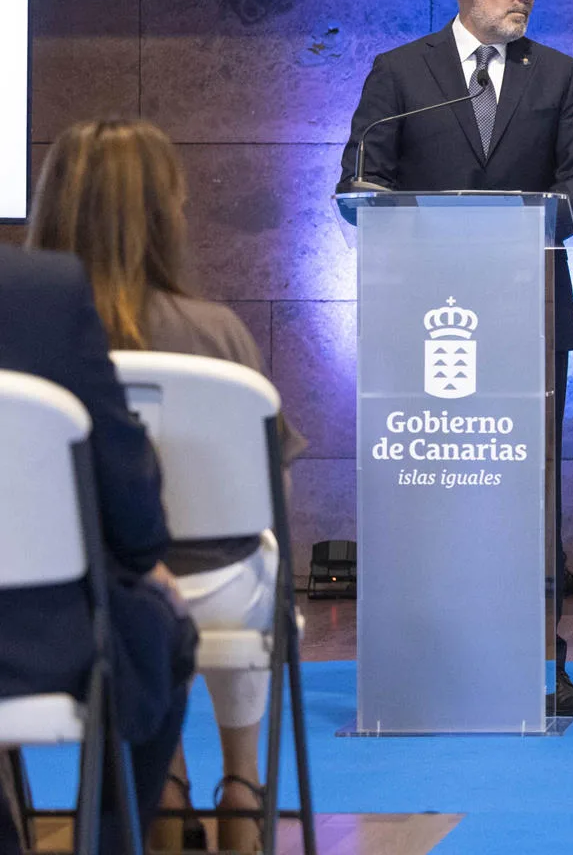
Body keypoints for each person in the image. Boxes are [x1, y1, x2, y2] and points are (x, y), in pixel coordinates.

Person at [337, 0, 573, 717]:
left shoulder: (557, 76)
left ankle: (536, 663)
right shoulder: (399, 73)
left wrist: (542, 216)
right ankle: (422, 658)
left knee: (530, 496)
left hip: (527, 316)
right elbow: (362, 180)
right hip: (418, 325)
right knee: (428, 492)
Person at [28, 118, 306, 852]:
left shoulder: (24, 340)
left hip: (55, 594)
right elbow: (269, 493)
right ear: (162, 214)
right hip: (210, 586)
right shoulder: (219, 336)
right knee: (255, 558)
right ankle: (244, 788)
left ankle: (166, 788)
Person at [0, 243, 194, 855]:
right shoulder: (42, 291)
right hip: (39, 639)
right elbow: (124, 480)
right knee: (159, 626)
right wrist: (141, 557)